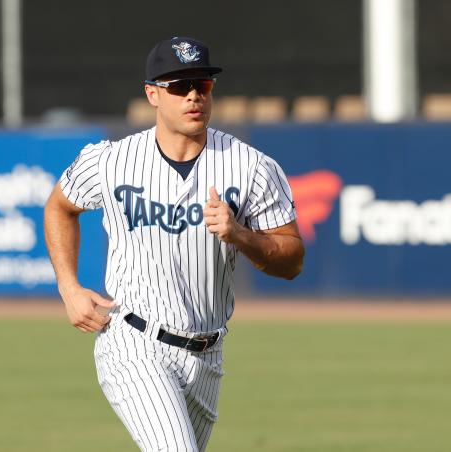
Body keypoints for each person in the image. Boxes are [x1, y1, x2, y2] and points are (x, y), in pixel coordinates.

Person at [44, 36, 305, 451]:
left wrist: (240, 234)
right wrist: (68, 287)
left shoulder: (252, 167)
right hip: (134, 341)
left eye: (201, 84)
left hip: (208, 353)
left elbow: (291, 260)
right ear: (152, 94)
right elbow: (59, 207)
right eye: (179, 86)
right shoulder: (110, 161)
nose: (193, 96)